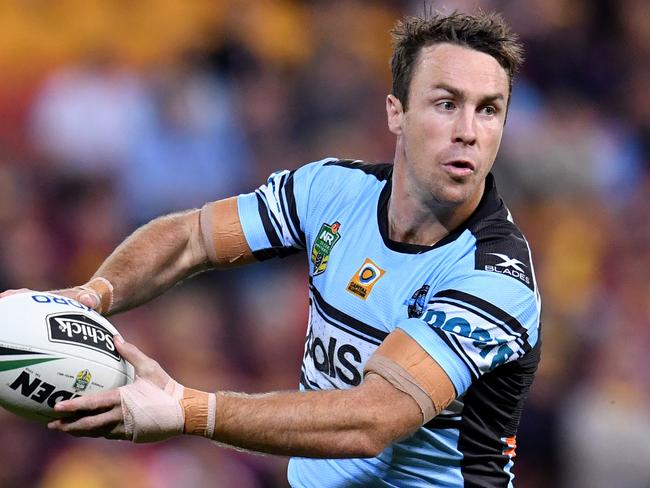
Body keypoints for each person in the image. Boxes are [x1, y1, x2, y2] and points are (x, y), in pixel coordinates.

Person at [3, 11, 541, 487]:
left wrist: (190, 409)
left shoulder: (494, 277)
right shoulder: (331, 191)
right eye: (446, 104)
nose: (468, 131)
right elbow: (191, 238)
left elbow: (371, 420)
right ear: (395, 112)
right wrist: (90, 295)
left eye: (489, 110)